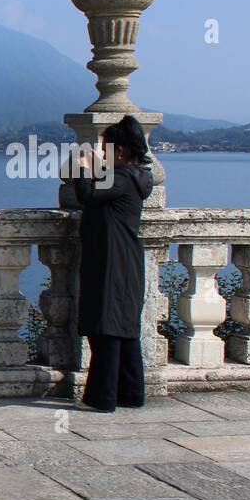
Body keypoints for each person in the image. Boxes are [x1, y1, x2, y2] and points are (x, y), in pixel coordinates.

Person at [72, 115, 155, 412]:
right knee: (125, 329)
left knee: (106, 327)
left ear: (119, 151)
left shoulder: (121, 178)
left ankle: (103, 396)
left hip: (111, 260)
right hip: (124, 258)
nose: (102, 150)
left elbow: (88, 194)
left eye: (106, 146)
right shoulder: (134, 176)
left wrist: (82, 169)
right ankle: (131, 393)